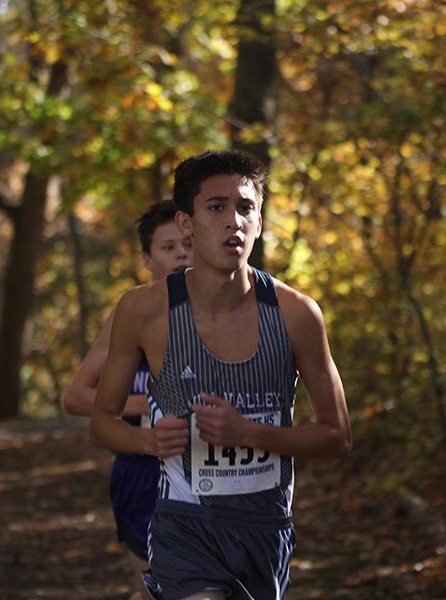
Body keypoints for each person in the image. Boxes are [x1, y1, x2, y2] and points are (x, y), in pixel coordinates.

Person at [91, 150, 352, 599]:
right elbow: (101, 420)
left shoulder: (297, 315)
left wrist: (248, 433)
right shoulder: (144, 311)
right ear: (187, 223)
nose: (234, 220)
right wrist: (146, 440)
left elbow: (337, 437)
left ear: (260, 222)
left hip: (264, 530)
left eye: (246, 207)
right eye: (216, 207)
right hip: (183, 527)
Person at [65, 199, 192, 600]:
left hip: (206, 476)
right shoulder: (131, 313)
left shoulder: (226, 312)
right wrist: (137, 404)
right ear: (147, 259)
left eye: (187, 244)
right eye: (168, 247)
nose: (180, 254)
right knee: (156, 588)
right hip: (141, 472)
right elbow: (75, 396)